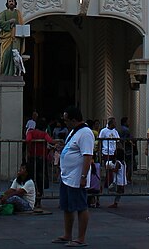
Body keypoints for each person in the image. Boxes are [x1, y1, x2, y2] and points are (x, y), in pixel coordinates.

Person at [54, 105, 94, 248]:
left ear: (74, 119)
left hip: (77, 176)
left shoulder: (85, 133)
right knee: (67, 206)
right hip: (67, 176)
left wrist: (83, 176)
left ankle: (81, 237)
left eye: (67, 120)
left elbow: (87, 155)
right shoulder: (74, 132)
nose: (65, 123)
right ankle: (67, 234)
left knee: (80, 206)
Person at [25, 121, 55, 206]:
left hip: (33, 158)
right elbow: (50, 141)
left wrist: (29, 149)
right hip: (42, 159)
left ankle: (32, 197)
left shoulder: (31, 132)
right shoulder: (44, 134)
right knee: (40, 179)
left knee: (31, 178)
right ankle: (39, 199)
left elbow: (28, 140)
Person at [0, 0, 24, 76]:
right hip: (6, 38)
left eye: (12, 1)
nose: (11, 3)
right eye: (9, 1)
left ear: (15, 3)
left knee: (15, 56)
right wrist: (9, 22)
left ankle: (14, 73)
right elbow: (1, 23)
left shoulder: (18, 13)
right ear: (7, 3)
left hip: (16, 37)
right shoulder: (4, 13)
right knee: (5, 55)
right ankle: (4, 72)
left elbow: (21, 25)